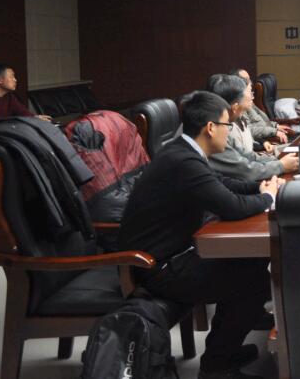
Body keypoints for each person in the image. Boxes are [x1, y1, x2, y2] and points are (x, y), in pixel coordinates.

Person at [119, 91, 281, 379]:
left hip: (175, 254)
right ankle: (217, 365)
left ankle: (224, 351)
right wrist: (268, 198)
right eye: (227, 125)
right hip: (158, 267)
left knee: (253, 262)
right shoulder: (183, 162)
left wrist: (259, 187)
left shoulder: (183, 152)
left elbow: (220, 183)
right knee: (252, 281)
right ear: (210, 128)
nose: (229, 131)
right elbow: (231, 207)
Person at [207, 74, 298, 180]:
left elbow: (246, 156)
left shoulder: (230, 121)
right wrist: (281, 165)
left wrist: (278, 161)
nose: (251, 96)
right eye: (249, 91)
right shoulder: (219, 129)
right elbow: (244, 170)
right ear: (235, 106)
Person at [229, 68, 291, 145]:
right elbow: (249, 130)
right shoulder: (239, 108)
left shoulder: (248, 102)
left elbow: (262, 120)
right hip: (265, 139)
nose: (250, 82)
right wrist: (273, 132)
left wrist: (275, 126)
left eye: (249, 79)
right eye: (245, 80)